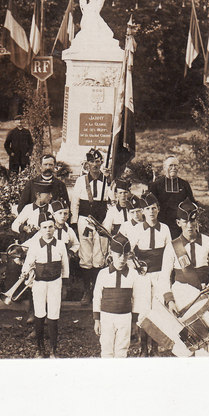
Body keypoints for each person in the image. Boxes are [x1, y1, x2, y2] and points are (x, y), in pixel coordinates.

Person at [159, 201, 209, 357]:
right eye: (185, 221)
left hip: (204, 293)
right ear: (178, 222)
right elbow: (164, 277)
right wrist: (170, 300)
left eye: (193, 220)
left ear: (197, 221)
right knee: (184, 344)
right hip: (181, 296)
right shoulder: (172, 246)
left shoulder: (208, 243)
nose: (189, 225)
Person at [22, 216, 70, 358]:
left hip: (55, 283)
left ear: (54, 228)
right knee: (39, 314)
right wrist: (28, 276)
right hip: (39, 284)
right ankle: (40, 348)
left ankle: (53, 350)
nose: (48, 230)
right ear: (40, 229)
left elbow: (65, 266)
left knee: (54, 314)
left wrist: (65, 284)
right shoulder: (35, 245)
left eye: (50, 227)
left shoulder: (60, 244)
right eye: (44, 227)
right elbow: (27, 266)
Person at [70, 148, 114, 305]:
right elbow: (75, 202)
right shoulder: (81, 181)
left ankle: (97, 290)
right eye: (91, 161)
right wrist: (74, 223)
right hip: (85, 221)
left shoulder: (108, 181)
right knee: (86, 256)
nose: (95, 164)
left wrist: (108, 223)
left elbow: (112, 203)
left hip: (102, 223)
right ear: (86, 164)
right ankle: (86, 291)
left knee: (99, 257)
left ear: (102, 163)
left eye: (97, 161)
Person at [130, 194, 171, 356]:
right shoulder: (137, 229)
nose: (151, 211)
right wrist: (136, 266)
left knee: (157, 311)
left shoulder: (165, 229)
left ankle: (155, 347)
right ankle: (143, 348)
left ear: (158, 210)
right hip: (143, 276)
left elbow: (169, 254)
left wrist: (166, 275)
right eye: (147, 209)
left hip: (160, 275)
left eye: (154, 208)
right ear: (143, 212)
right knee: (143, 311)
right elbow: (129, 253)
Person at [93, 233, 142, 358]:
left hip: (124, 317)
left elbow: (137, 299)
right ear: (111, 253)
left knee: (122, 349)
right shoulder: (103, 274)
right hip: (107, 317)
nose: (122, 259)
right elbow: (97, 297)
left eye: (125, 255)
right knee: (106, 348)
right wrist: (97, 320)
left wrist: (134, 321)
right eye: (119, 255)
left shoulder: (133, 275)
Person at [149, 156, 196, 238]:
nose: (173, 168)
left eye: (176, 165)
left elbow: (191, 203)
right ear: (164, 167)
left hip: (179, 226)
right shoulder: (155, 185)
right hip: (161, 224)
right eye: (170, 165)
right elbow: (151, 206)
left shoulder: (184, 184)